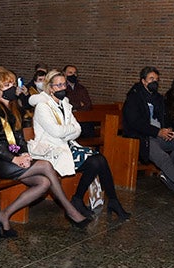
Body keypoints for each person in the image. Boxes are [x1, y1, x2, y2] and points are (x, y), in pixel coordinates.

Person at [0, 67, 89, 236]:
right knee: (45, 165)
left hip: (13, 156)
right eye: (7, 85)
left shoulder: (14, 107)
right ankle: (70, 210)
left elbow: (20, 138)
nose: (13, 87)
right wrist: (13, 159)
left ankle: (5, 214)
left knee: (44, 183)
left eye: (13, 84)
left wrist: (24, 154)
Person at [30, 71, 129, 220]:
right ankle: (85, 199)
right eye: (59, 85)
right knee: (96, 161)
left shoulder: (65, 104)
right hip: (50, 149)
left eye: (64, 84)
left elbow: (78, 129)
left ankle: (107, 200)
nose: (63, 87)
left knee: (99, 159)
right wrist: (68, 131)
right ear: (50, 88)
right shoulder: (42, 107)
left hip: (67, 145)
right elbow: (56, 132)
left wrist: (67, 131)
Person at [121, 66, 174, 200]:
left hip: (157, 134)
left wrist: (168, 129)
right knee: (163, 157)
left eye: (157, 79)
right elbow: (135, 122)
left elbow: (164, 118)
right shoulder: (134, 97)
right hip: (141, 137)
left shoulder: (158, 98)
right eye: (151, 79)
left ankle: (167, 176)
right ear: (143, 81)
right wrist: (158, 132)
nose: (154, 81)